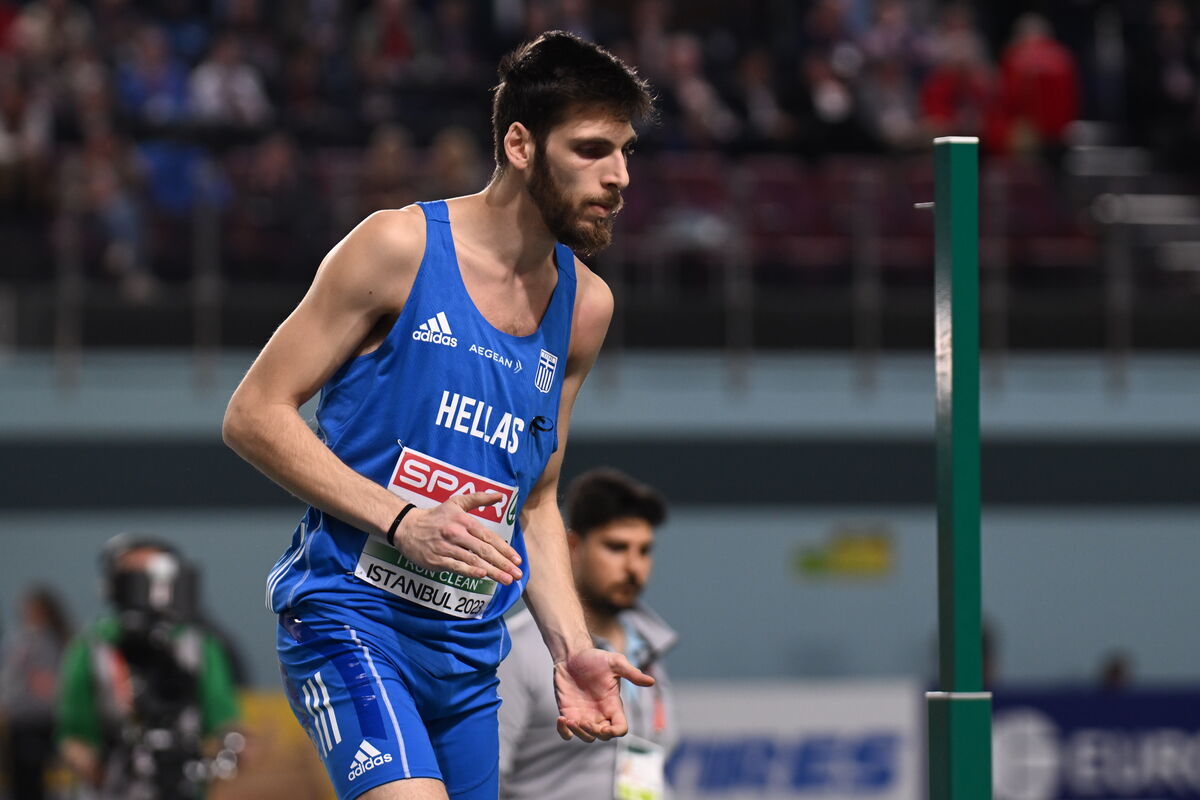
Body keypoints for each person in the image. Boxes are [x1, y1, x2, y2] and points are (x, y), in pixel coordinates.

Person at [221, 30, 655, 800]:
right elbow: (254, 413)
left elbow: (537, 501)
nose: (619, 175)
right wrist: (399, 520)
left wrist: (570, 649)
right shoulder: (398, 247)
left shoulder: (587, 306)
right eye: (592, 149)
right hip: (350, 620)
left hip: (467, 658)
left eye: (624, 152)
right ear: (520, 144)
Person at [498, 468, 677, 800]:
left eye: (644, 550)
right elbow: (487, 779)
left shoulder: (648, 648)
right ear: (572, 546)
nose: (633, 566)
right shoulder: (514, 649)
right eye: (616, 547)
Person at [56, 534, 240, 800]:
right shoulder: (93, 647)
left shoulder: (198, 647)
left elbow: (224, 724)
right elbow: (74, 736)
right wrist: (96, 768)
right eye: (135, 576)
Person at [0, 586, 73, 800]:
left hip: (40, 719)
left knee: (37, 781)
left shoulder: (42, 642)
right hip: (27, 720)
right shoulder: (34, 640)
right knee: (28, 781)